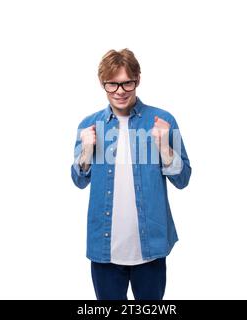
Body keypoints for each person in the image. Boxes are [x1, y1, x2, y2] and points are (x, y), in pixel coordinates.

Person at [71, 48, 191, 300]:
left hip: (150, 248)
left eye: (127, 83)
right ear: (102, 84)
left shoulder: (162, 120)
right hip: (105, 249)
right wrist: (86, 150)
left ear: (138, 79)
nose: (120, 91)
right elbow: (79, 180)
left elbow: (183, 179)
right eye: (112, 84)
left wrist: (164, 147)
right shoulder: (89, 125)